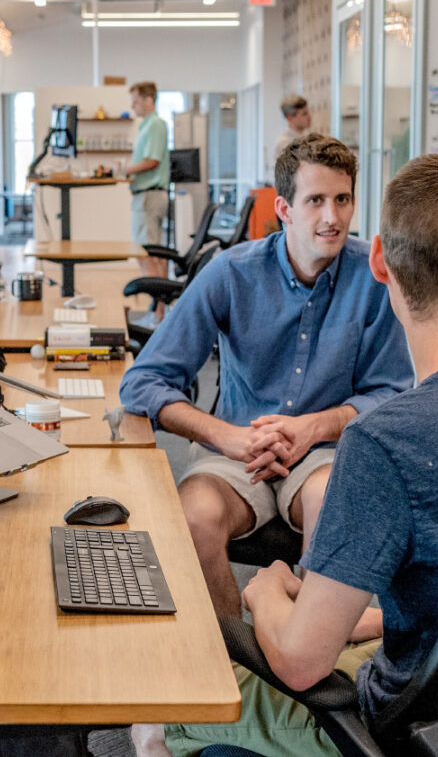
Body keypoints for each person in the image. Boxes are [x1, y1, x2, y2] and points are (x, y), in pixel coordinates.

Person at [136, 153, 438, 757]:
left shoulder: (383, 443)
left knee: (157, 711)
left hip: (403, 725)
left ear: (379, 263)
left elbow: (299, 663)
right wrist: (368, 620)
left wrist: (265, 591)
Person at [120, 134, 414, 619]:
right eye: (315, 201)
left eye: (342, 199)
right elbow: (142, 382)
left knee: (332, 506)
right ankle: (232, 650)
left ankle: (308, 646)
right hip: (236, 450)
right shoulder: (231, 273)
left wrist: (314, 427)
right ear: (284, 209)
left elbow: (393, 393)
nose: (332, 217)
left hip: (325, 453)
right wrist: (225, 436)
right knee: (192, 518)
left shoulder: (375, 278)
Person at [125, 81, 170, 279]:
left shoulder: (155, 125)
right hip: (147, 196)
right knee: (153, 253)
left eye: (135, 101)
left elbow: (152, 161)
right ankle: (161, 297)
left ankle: (157, 298)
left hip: (150, 196)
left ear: (149, 100)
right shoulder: (147, 126)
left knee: (146, 253)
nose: (132, 106)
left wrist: (125, 170)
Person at [264, 95, 311, 186]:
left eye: (308, 112)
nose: (309, 116)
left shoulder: (309, 137)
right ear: (290, 117)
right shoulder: (284, 144)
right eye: (304, 114)